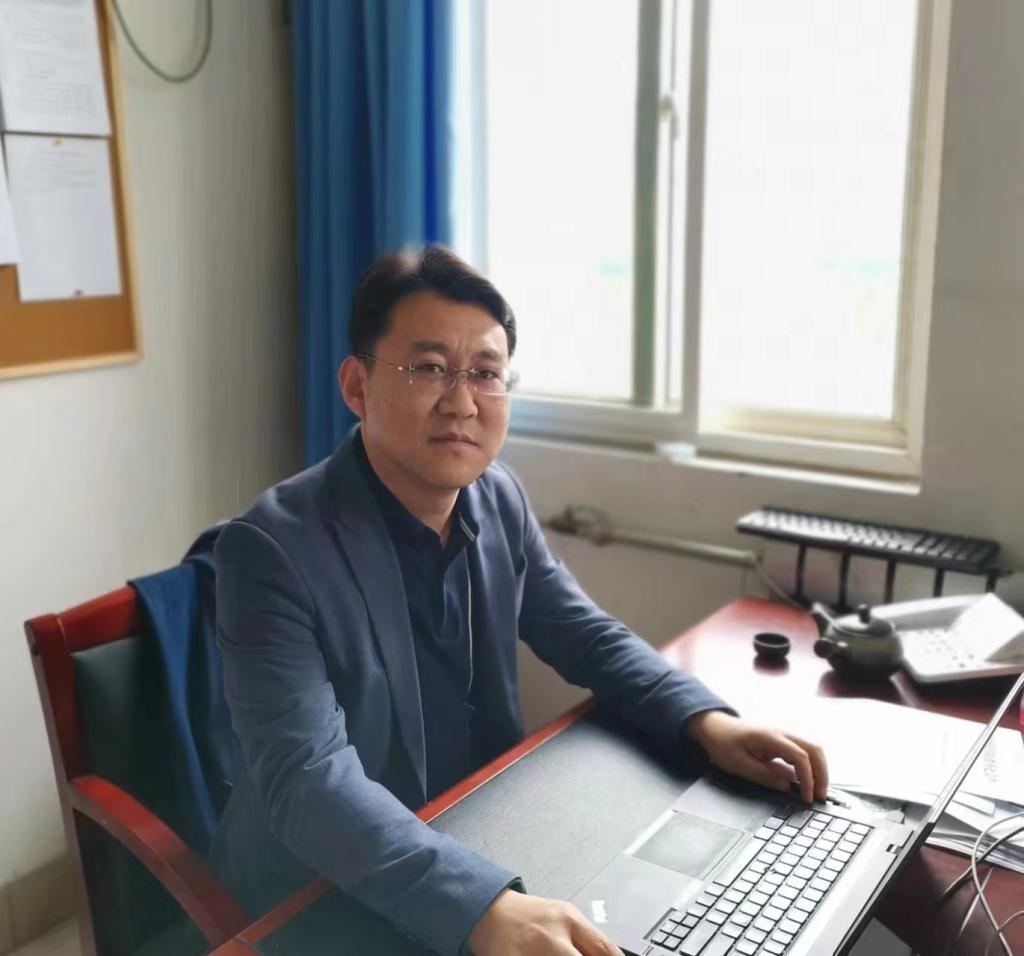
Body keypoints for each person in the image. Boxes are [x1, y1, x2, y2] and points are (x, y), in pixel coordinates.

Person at [209, 246, 827, 956]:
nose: (462, 402)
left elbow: (583, 633)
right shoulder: (270, 549)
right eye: (430, 368)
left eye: (485, 373)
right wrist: (481, 905)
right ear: (357, 385)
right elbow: (308, 781)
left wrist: (705, 720)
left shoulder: (495, 496)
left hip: (478, 826)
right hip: (326, 883)